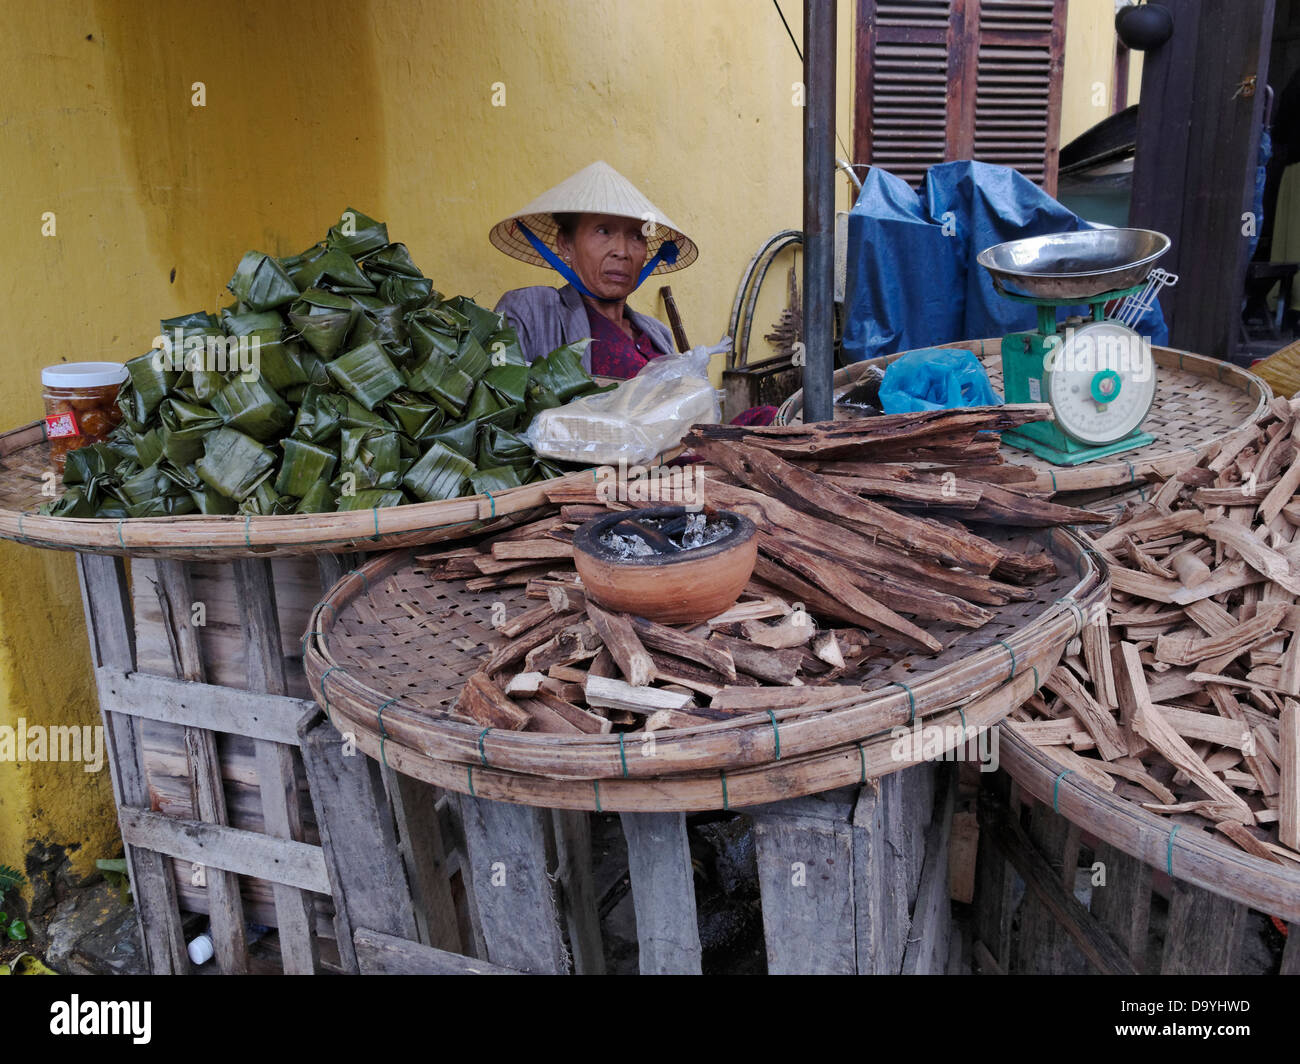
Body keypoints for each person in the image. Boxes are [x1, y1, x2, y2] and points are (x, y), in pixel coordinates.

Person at [490, 161, 777, 424]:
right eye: (603, 231)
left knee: (771, 419)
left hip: (671, 464)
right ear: (565, 244)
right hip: (595, 472)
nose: (622, 251)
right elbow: (501, 407)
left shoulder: (657, 333)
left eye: (637, 236)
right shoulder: (531, 309)